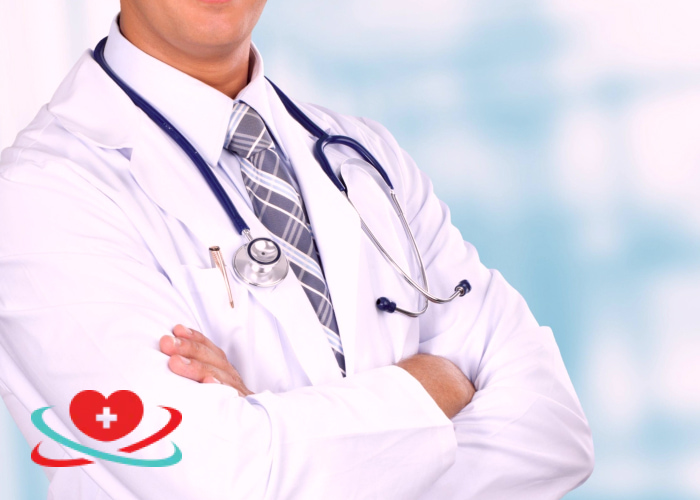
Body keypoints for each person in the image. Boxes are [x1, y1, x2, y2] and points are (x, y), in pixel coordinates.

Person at [0, 1, 594, 498]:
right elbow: (219, 482)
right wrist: (435, 384)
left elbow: (553, 432)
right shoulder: (40, 194)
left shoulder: (364, 155)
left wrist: (279, 437)